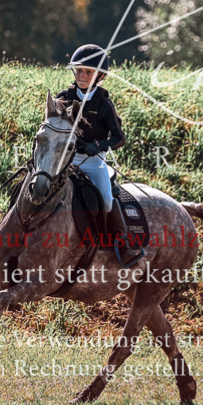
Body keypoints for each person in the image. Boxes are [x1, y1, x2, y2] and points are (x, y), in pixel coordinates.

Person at [56, 44, 144, 266]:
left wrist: (100, 144)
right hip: (64, 160)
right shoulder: (63, 98)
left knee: (105, 199)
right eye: (78, 70)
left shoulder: (104, 104)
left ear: (100, 76)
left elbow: (119, 138)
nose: (81, 76)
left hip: (91, 162)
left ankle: (123, 244)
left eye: (88, 72)